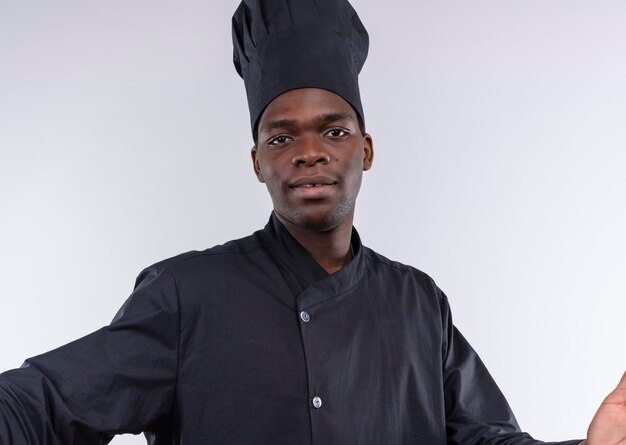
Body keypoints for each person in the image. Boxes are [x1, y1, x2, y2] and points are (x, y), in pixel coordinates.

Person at [1, 0, 624, 444]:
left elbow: (482, 436)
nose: (310, 152)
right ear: (257, 162)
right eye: (281, 137)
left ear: (366, 150)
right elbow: (48, 402)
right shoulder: (186, 294)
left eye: (334, 130)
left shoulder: (418, 303)